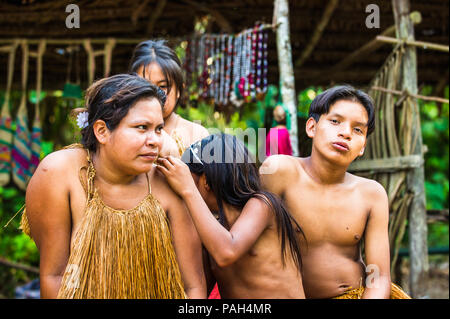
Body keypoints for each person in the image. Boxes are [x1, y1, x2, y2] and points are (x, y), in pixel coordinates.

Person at [21, 74, 206, 299]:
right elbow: (53, 277)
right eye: (141, 127)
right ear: (101, 131)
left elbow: (193, 287)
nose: (155, 140)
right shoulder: (58, 173)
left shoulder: (168, 180)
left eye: (158, 128)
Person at [259, 85, 411, 299]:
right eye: (335, 121)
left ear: (362, 146)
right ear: (311, 127)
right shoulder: (280, 171)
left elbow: (380, 278)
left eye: (358, 129)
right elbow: (249, 248)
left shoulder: (372, 194)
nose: (346, 133)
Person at [156, 133, 306, 298]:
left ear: (205, 180)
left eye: (189, 180)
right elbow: (199, 287)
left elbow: (227, 252)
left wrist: (188, 190)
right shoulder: (212, 232)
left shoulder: (263, 205)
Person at [129, 39, 209, 156]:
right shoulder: (123, 131)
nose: (154, 94)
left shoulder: (197, 135)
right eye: (144, 85)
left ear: (178, 90)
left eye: (162, 86)